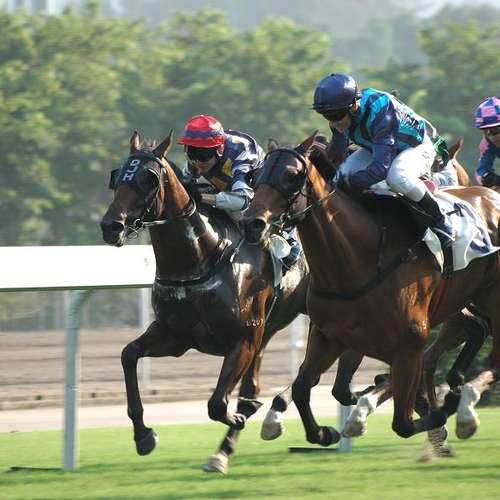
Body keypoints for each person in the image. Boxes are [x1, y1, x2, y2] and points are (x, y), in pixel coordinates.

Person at [311, 73, 455, 250]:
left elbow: (381, 168)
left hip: (416, 146)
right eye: (327, 116)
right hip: (380, 147)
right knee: (339, 177)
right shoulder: (340, 113)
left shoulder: (380, 111)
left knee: (397, 177)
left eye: (335, 116)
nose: (333, 123)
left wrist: (352, 183)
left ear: (354, 106)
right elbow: (337, 153)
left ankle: (440, 219)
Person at [179, 114, 301, 269]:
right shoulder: (197, 157)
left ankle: (289, 239)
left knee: (241, 216)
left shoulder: (240, 151)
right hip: (229, 188)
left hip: (257, 194)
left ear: (219, 149)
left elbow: (242, 201)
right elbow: (182, 187)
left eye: (203, 156)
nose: (197, 161)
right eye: (191, 153)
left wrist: (201, 197)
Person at [474, 96, 500, 188]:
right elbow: (481, 171)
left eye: (495, 130)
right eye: (486, 131)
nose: (491, 136)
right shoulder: (486, 144)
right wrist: (485, 176)